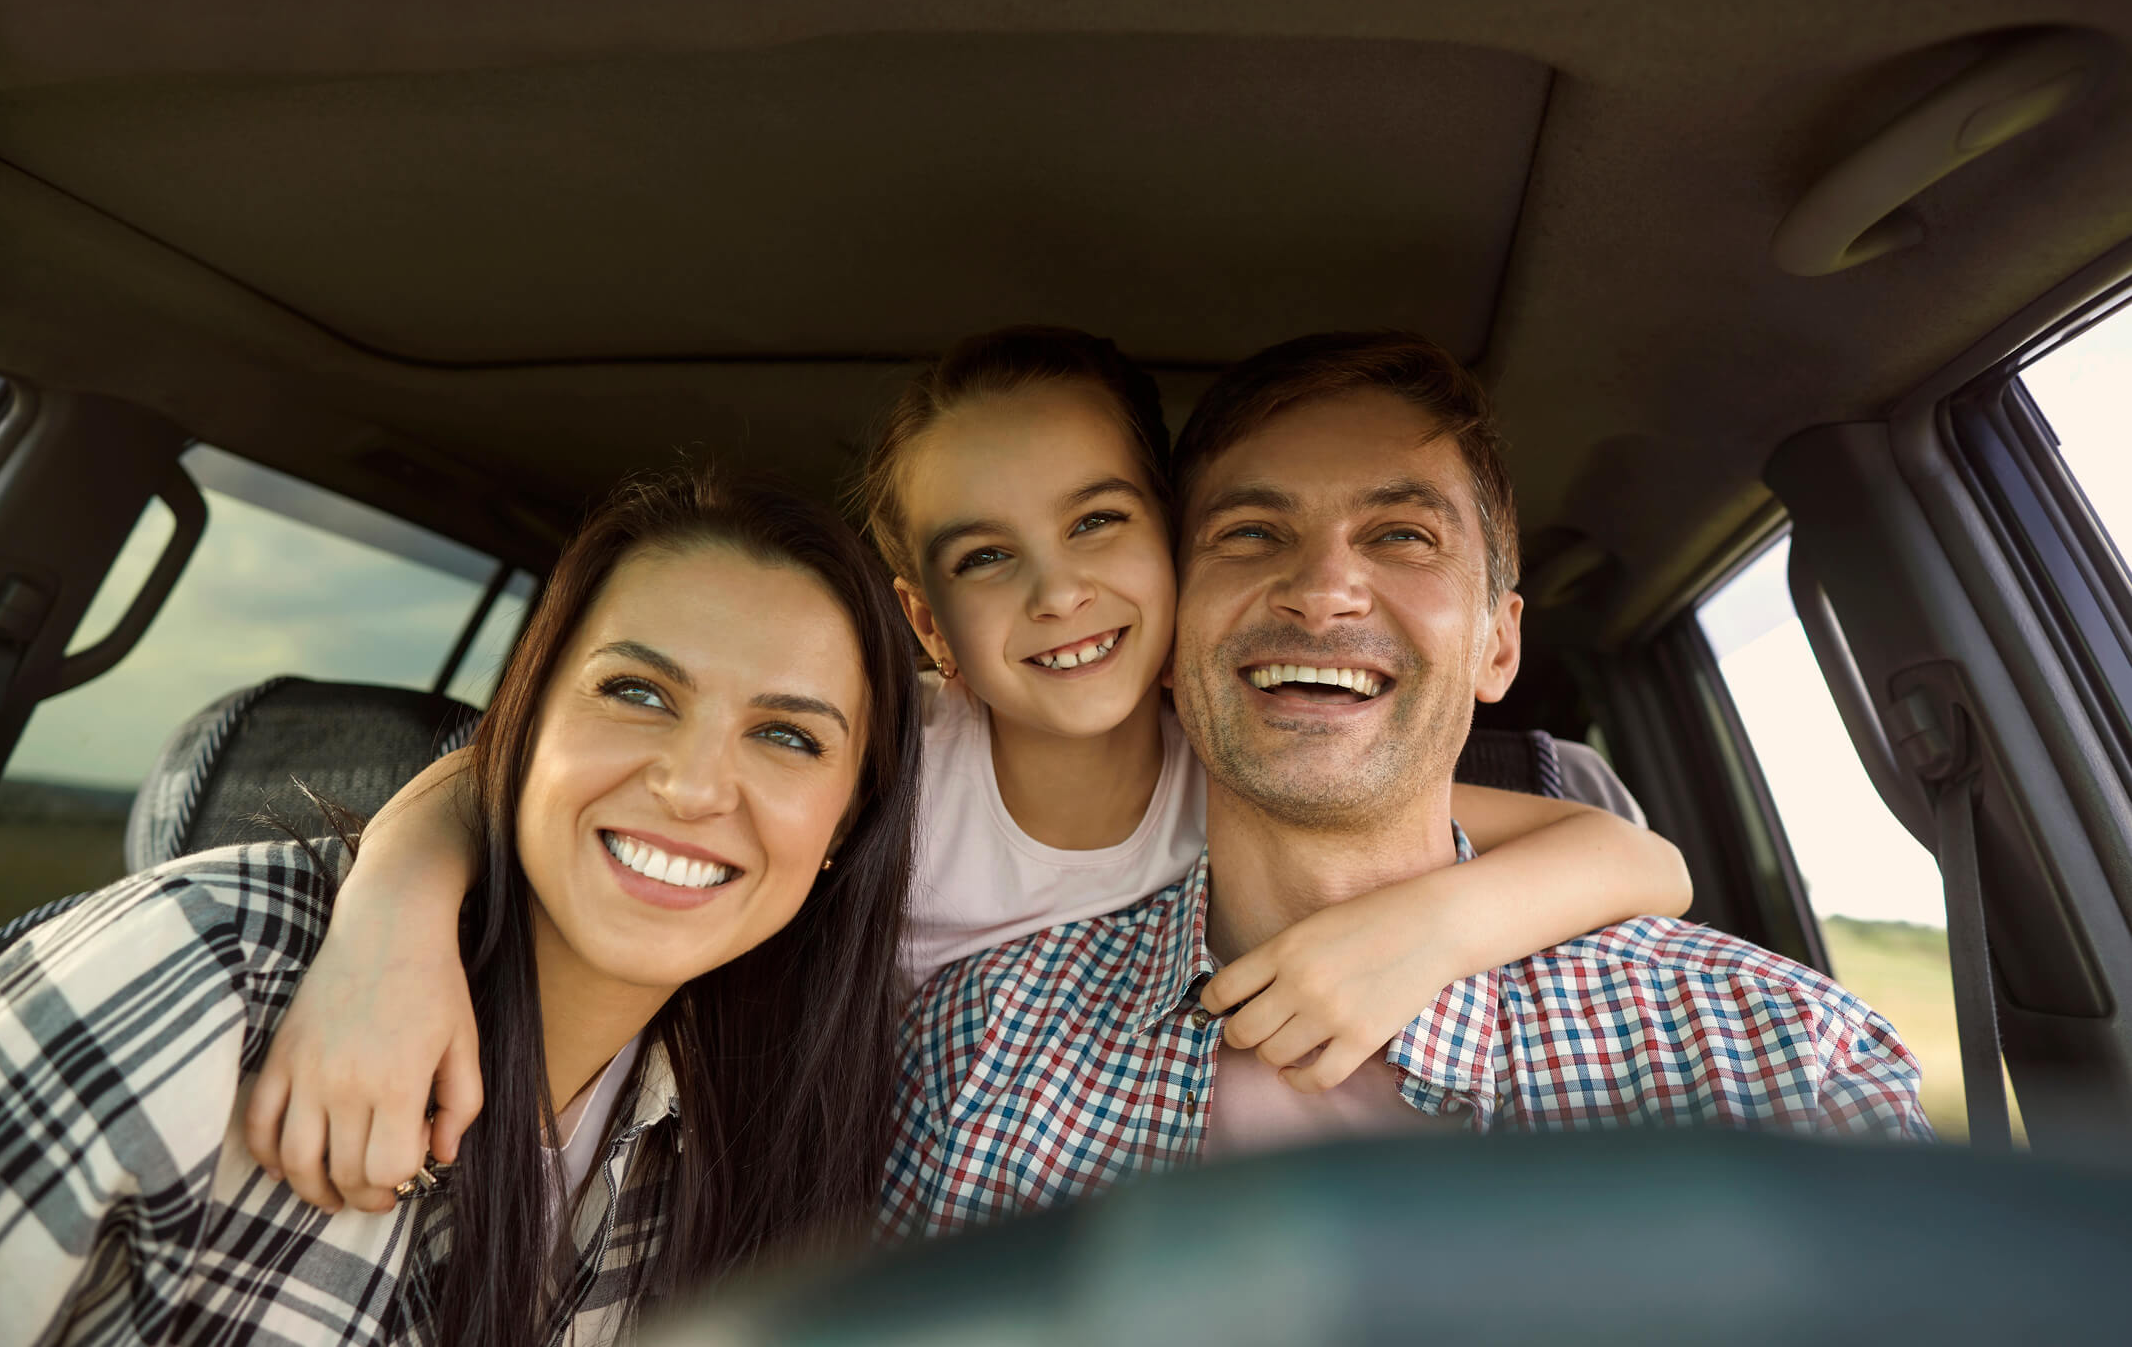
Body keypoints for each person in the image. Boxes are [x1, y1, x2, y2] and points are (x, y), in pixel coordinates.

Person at [247, 327, 1692, 1218]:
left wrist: (1420, 926)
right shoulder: (873, 740)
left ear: (1179, 557)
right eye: (987, 558)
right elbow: (515, 779)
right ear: (928, 619)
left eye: (1100, 524)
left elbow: (1633, 855)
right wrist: (386, 919)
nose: (1058, 594)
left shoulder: (1242, 778)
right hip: (784, 1163)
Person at [880, 330, 1931, 1240]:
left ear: (1498, 644)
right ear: (1168, 630)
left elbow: (1641, 859)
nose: (1324, 589)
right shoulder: (973, 1043)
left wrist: (1438, 930)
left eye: (1402, 535)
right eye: (1250, 533)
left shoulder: (1784, 1059)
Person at [0, 469, 923, 1345]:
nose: (691, 786)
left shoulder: (749, 1131)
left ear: (848, 821)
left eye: (788, 735)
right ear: (524, 721)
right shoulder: (202, 969)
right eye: (636, 691)